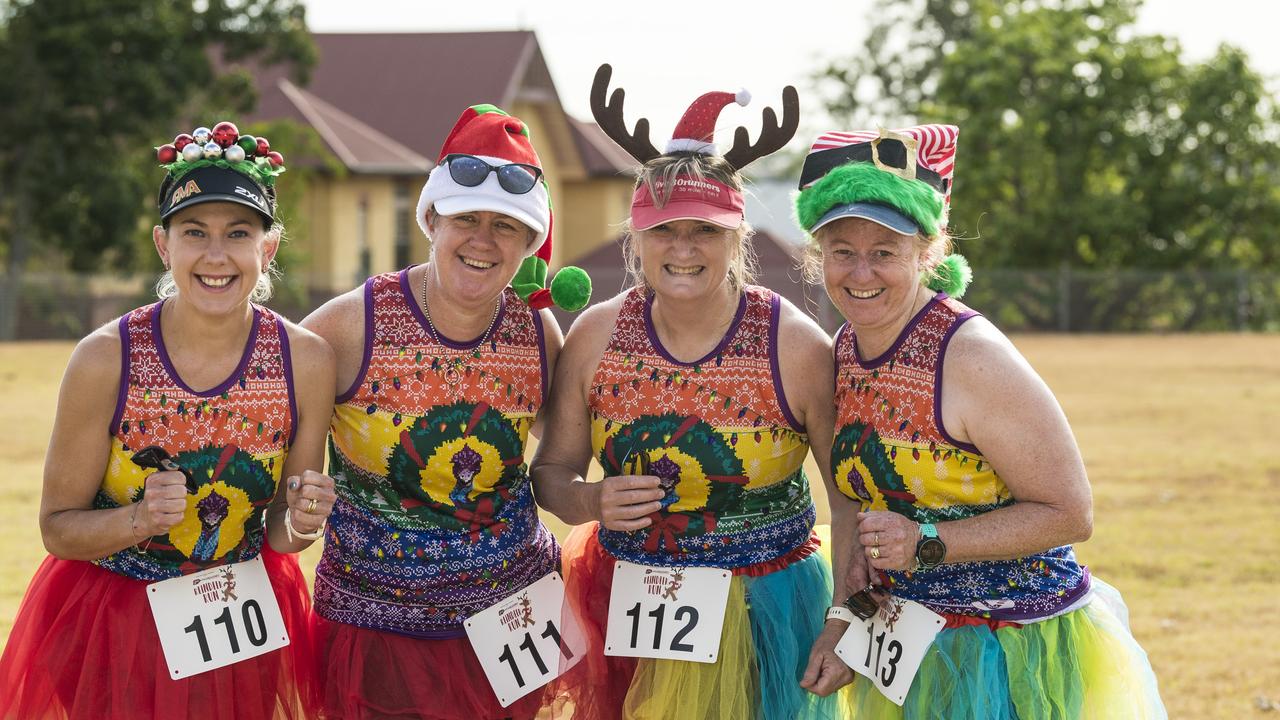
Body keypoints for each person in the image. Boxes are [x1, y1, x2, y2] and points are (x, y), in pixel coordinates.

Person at [794, 125, 1167, 718]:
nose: (860, 274)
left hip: (1008, 647)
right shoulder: (844, 349)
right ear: (820, 259)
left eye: (884, 253)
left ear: (926, 254)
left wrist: (929, 544)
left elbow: (1070, 512)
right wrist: (845, 619)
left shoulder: (972, 357)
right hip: (909, 642)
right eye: (843, 251)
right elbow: (857, 510)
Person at [531, 64, 850, 720]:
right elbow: (551, 475)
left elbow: (846, 500)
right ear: (638, 239)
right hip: (629, 603)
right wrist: (592, 498)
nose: (683, 247)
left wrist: (844, 617)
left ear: (735, 236)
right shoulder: (596, 335)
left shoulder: (795, 343)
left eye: (704, 230)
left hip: (768, 609)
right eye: (664, 230)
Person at [0, 121, 338, 720]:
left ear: (268, 249)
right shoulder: (106, 357)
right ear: (164, 245)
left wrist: (305, 521)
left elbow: (282, 532)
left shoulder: (305, 359)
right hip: (118, 620)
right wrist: (137, 519)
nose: (215, 255)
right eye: (194, 232)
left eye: (238, 233)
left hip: (238, 620)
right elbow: (56, 528)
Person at [301, 104, 590, 720]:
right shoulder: (350, 325)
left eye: (507, 226)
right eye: (466, 218)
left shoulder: (537, 332)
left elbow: (573, 446)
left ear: (531, 242)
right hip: (376, 626)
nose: (483, 241)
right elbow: (267, 428)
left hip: (514, 615)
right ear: (431, 218)